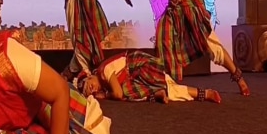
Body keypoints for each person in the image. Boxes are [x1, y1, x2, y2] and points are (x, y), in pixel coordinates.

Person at [78, 50, 222, 104]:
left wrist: (106, 95)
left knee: (126, 92)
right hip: (135, 75)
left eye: (90, 85)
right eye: (91, 91)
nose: (93, 89)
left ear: (90, 76)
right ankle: (156, 93)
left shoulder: (105, 71)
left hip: (140, 66)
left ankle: (204, 93)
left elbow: (117, 93)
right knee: (167, 88)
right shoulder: (103, 78)